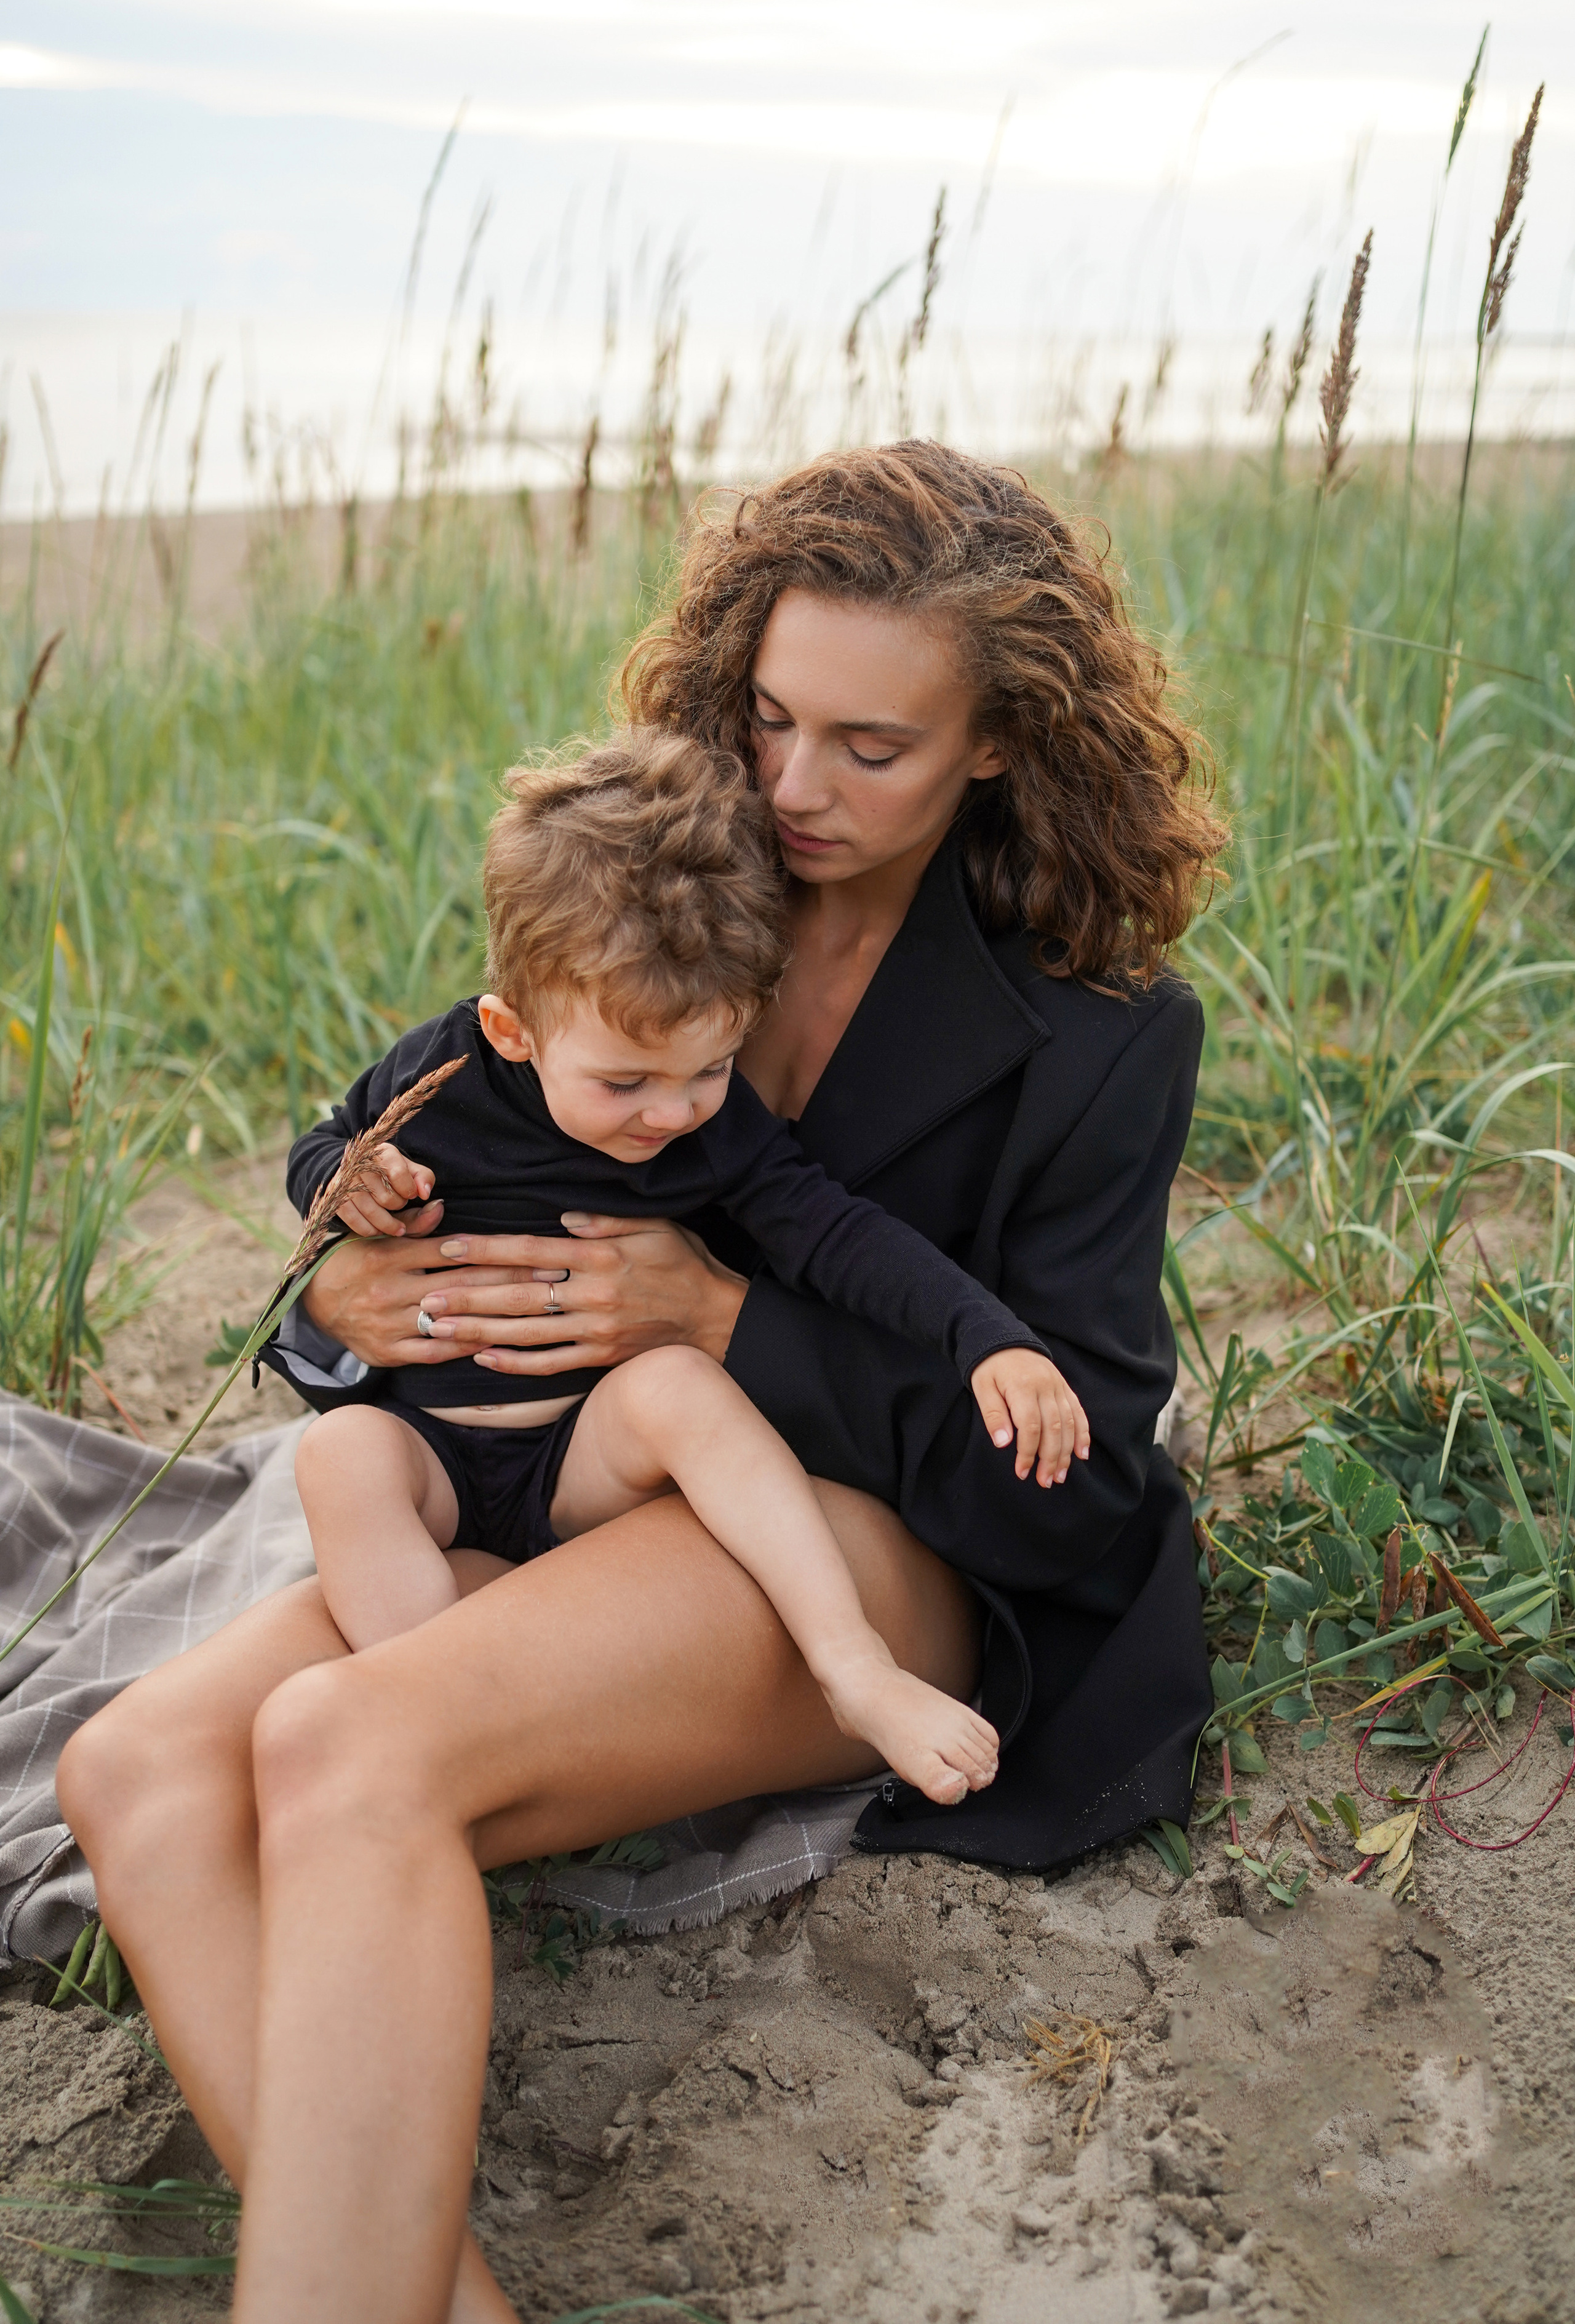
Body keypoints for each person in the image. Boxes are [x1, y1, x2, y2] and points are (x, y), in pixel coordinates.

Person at [57, 441, 1227, 2324]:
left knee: (344, 1749)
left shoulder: (1102, 1037)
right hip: (572, 1495)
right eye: (769, 718)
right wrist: (350, 1292)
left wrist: (722, 1325)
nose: (793, 787)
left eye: (872, 745)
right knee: (140, 1770)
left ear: (998, 741)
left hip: (873, 1542)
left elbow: (1079, 1496)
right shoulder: (662, 890)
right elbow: (443, 1185)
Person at [292, 729, 1089, 1804]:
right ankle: (431, 1691)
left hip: (584, 1464)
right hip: (430, 1452)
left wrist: (984, 1332)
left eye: (709, 1069)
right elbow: (325, 1144)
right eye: (626, 1083)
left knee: (678, 1385)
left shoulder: (711, 1127)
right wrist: (348, 1182)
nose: (671, 1116)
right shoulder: (444, 1069)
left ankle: (853, 1666)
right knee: (340, 1456)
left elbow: (838, 1233)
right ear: (512, 1030)